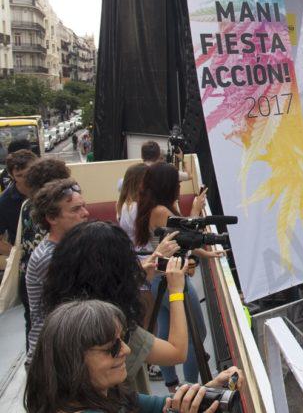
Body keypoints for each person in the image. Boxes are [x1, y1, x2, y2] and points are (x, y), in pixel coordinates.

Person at [42, 221, 187, 393]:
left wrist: (138, 279)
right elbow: (176, 352)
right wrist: (176, 291)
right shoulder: (110, 327)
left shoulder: (62, 318)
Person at [24, 299, 243, 413]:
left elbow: (165, 406)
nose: (126, 351)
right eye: (111, 348)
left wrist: (211, 390)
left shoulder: (107, 395)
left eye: (122, 341)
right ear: (72, 360)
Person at [132, 163, 216, 389]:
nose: (180, 186)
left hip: (159, 278)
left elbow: (177, 242)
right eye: (177, 183)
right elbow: (186, 236)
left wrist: (206, 254)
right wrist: (196, 210)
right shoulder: (161, 211)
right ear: (168, 186)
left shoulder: (152, 208)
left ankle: (171, 384)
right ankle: (190, 386)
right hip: (171, 280)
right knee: (196, 333)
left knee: (165, 331)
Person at [25, 178, 89, 362]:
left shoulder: (71, 247)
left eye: (83, 206)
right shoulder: (51, 257)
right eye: (76, 209)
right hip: (53, 358)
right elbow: (78, 303)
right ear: (51, 218)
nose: (85, 213)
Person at [0, 149, 36, 257]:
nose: (26, 179)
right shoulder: (4, 202)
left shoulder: (50, 189)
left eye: (29, 173)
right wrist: (20, 256)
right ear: (11, 176)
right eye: (20, 175)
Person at [116, 163, 148, 248]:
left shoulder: (123, 204)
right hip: (144, 254)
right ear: (140, 183)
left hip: (133, 250)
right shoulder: (135, 207)